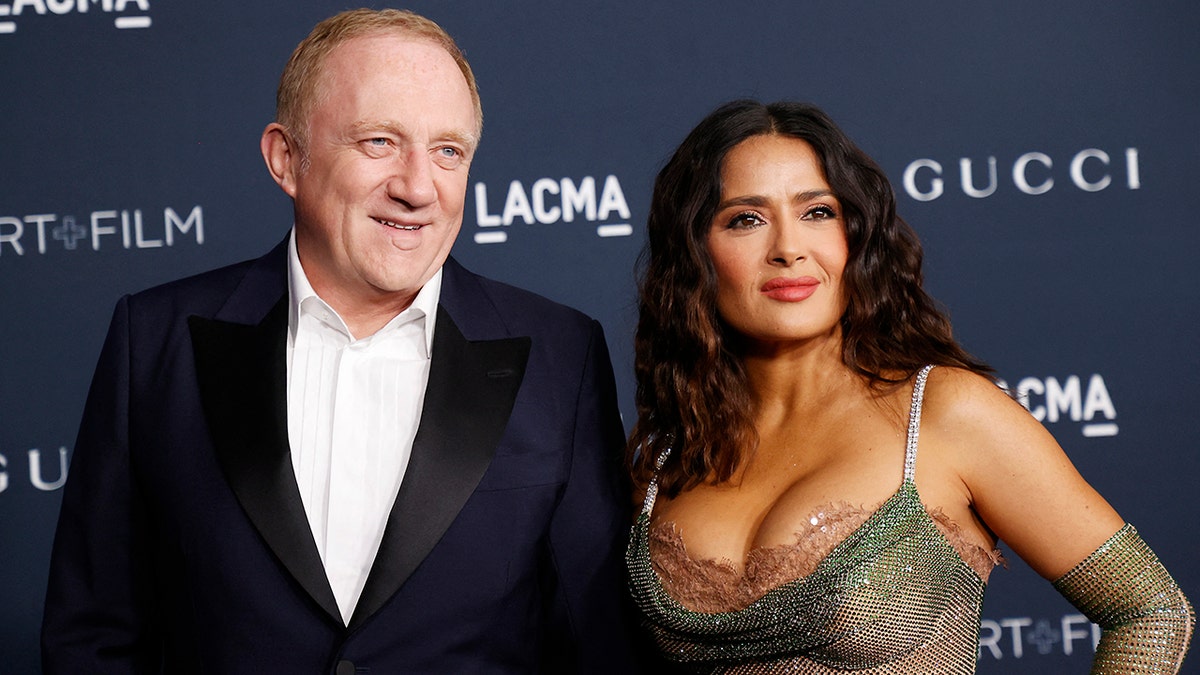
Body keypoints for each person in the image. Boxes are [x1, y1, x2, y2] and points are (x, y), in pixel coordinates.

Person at [42, 9, 640, 673]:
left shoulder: (561, 354)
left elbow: (600, 640)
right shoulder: (155, 341)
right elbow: (92, 637)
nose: (418, 187)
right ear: (286, 158)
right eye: (379, 142)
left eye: (448, 151)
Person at [625, 100, 1194, 673]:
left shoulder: (946, 412)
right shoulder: (664, 459)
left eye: (818, 212)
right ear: (695, 252)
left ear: (856, 234)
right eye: (746, 219)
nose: (788, 248)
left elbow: (1149, 611)